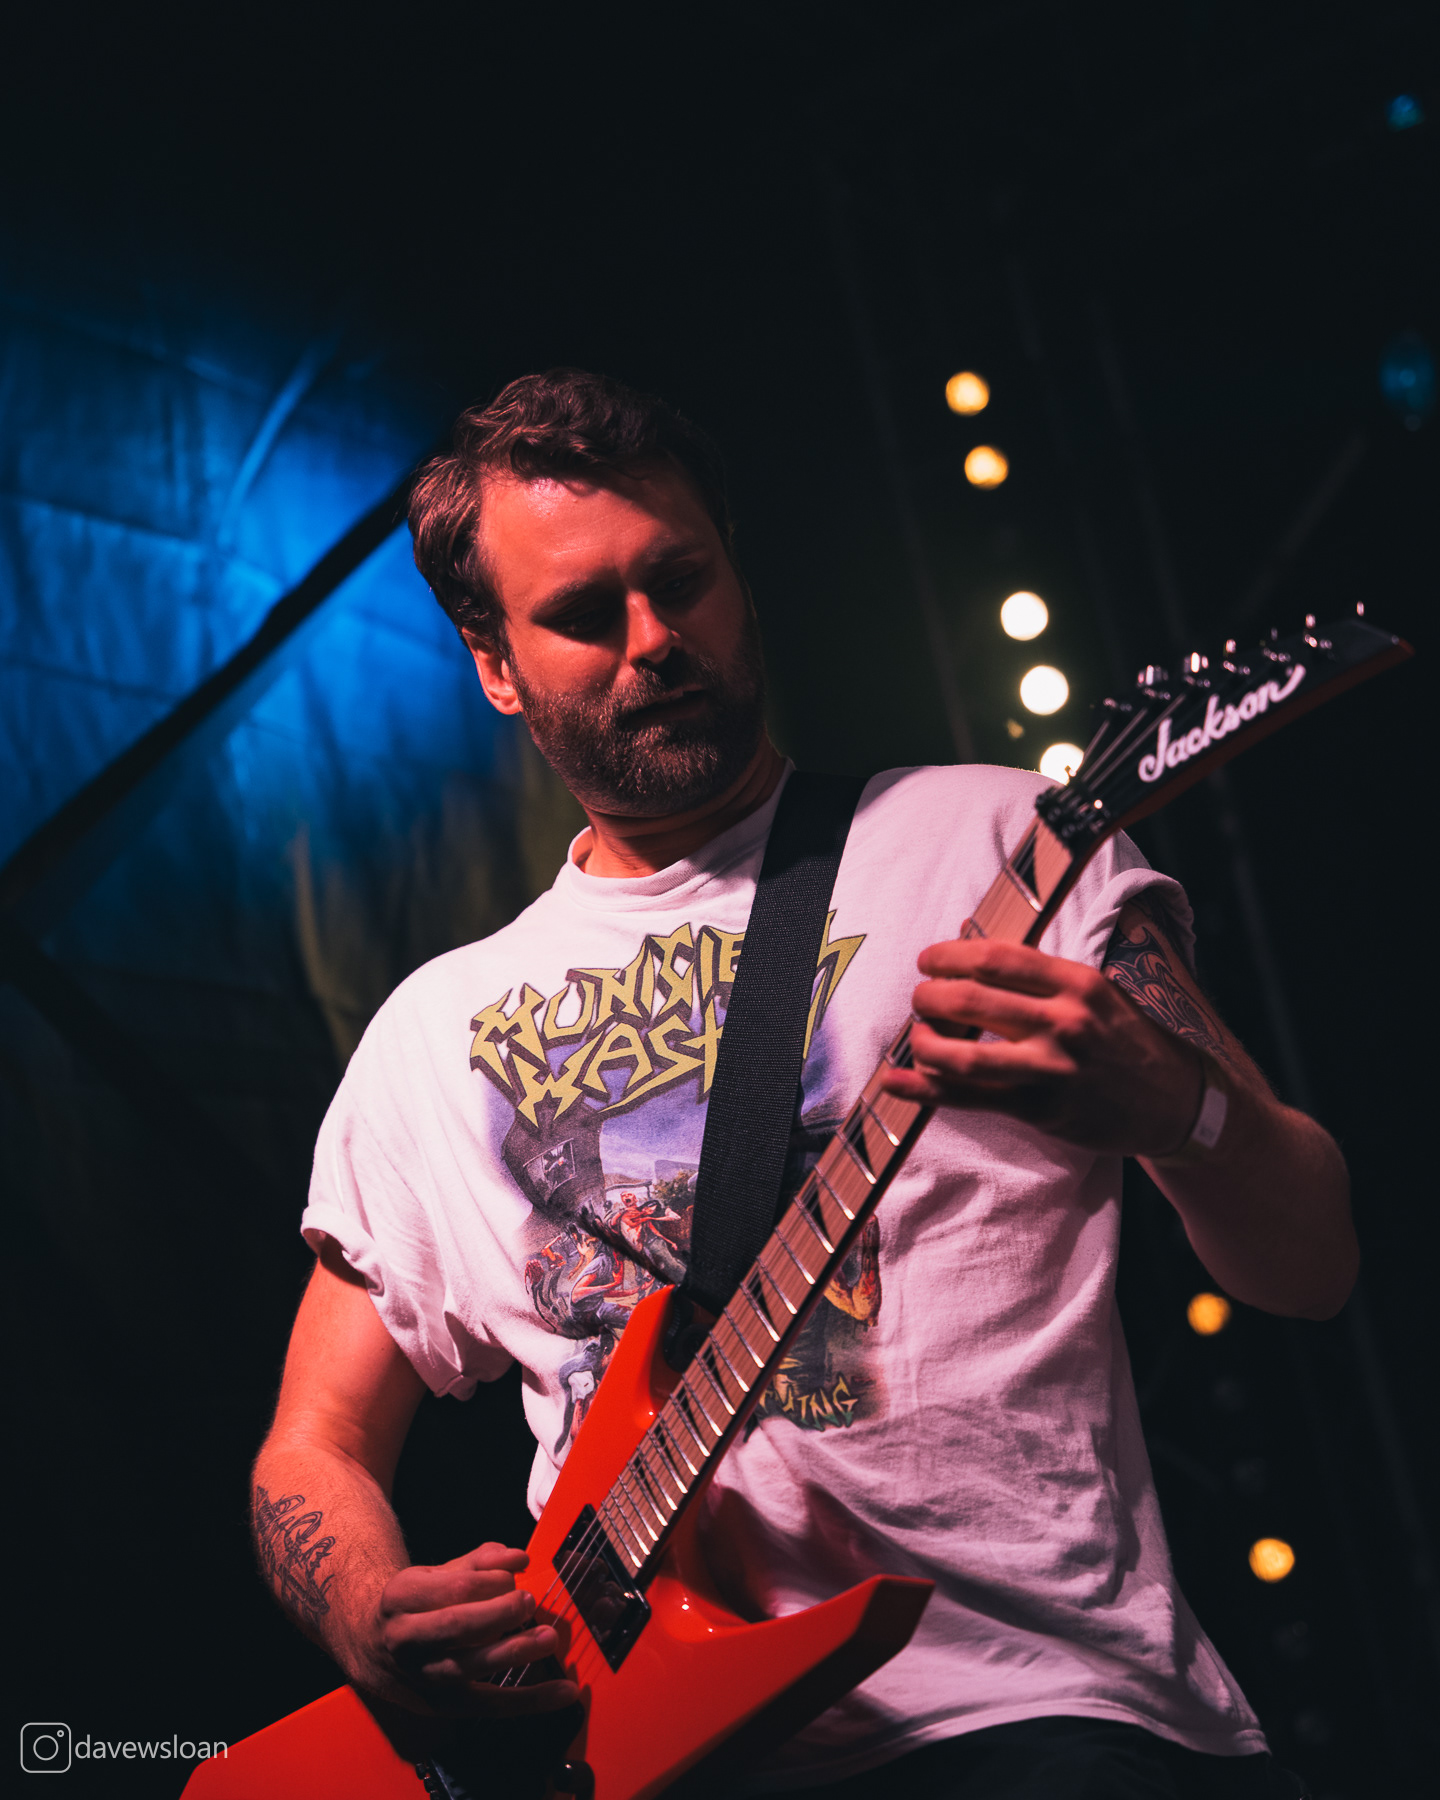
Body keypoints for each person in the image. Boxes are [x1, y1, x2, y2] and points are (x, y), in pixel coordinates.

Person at [251, 369, 1355, 1796]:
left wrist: (1179, 1109)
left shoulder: (997, 842)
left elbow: (1312, 1261)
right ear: (496, 667)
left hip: (1032, 1712)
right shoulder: (431, 1034)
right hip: (629, 1754)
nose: (655, 640)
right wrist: (361, 1607)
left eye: (681, 582)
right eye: (584, 614)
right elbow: (313, 1444)